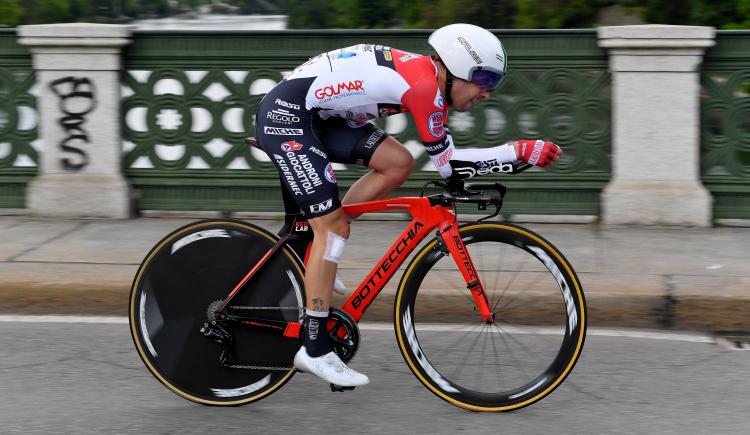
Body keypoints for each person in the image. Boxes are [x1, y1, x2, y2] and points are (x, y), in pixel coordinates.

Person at [255, 23, 562, 387]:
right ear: (453, 67)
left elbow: (444, 165)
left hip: (322, 117)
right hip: (289, 117)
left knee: (398, 163)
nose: (487, 92)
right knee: (331, 227)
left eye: (493, 82)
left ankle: (320, 252)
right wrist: (517, 152)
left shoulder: (429, 78)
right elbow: (450, 166)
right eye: (482, 78)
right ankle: (315, 347)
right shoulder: (425, 87)